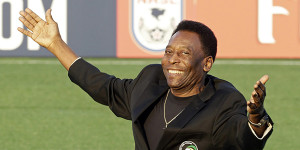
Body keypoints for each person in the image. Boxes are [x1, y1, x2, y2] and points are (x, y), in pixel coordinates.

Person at [18, 8, 273, 150]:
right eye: (169, 52)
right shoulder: (151, 81)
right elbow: (103, 86)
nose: (172, 60)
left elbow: (243, 141)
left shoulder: (224, 100)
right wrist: (55, 44)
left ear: (207, 63)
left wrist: (254, 118)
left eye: (184, 53)